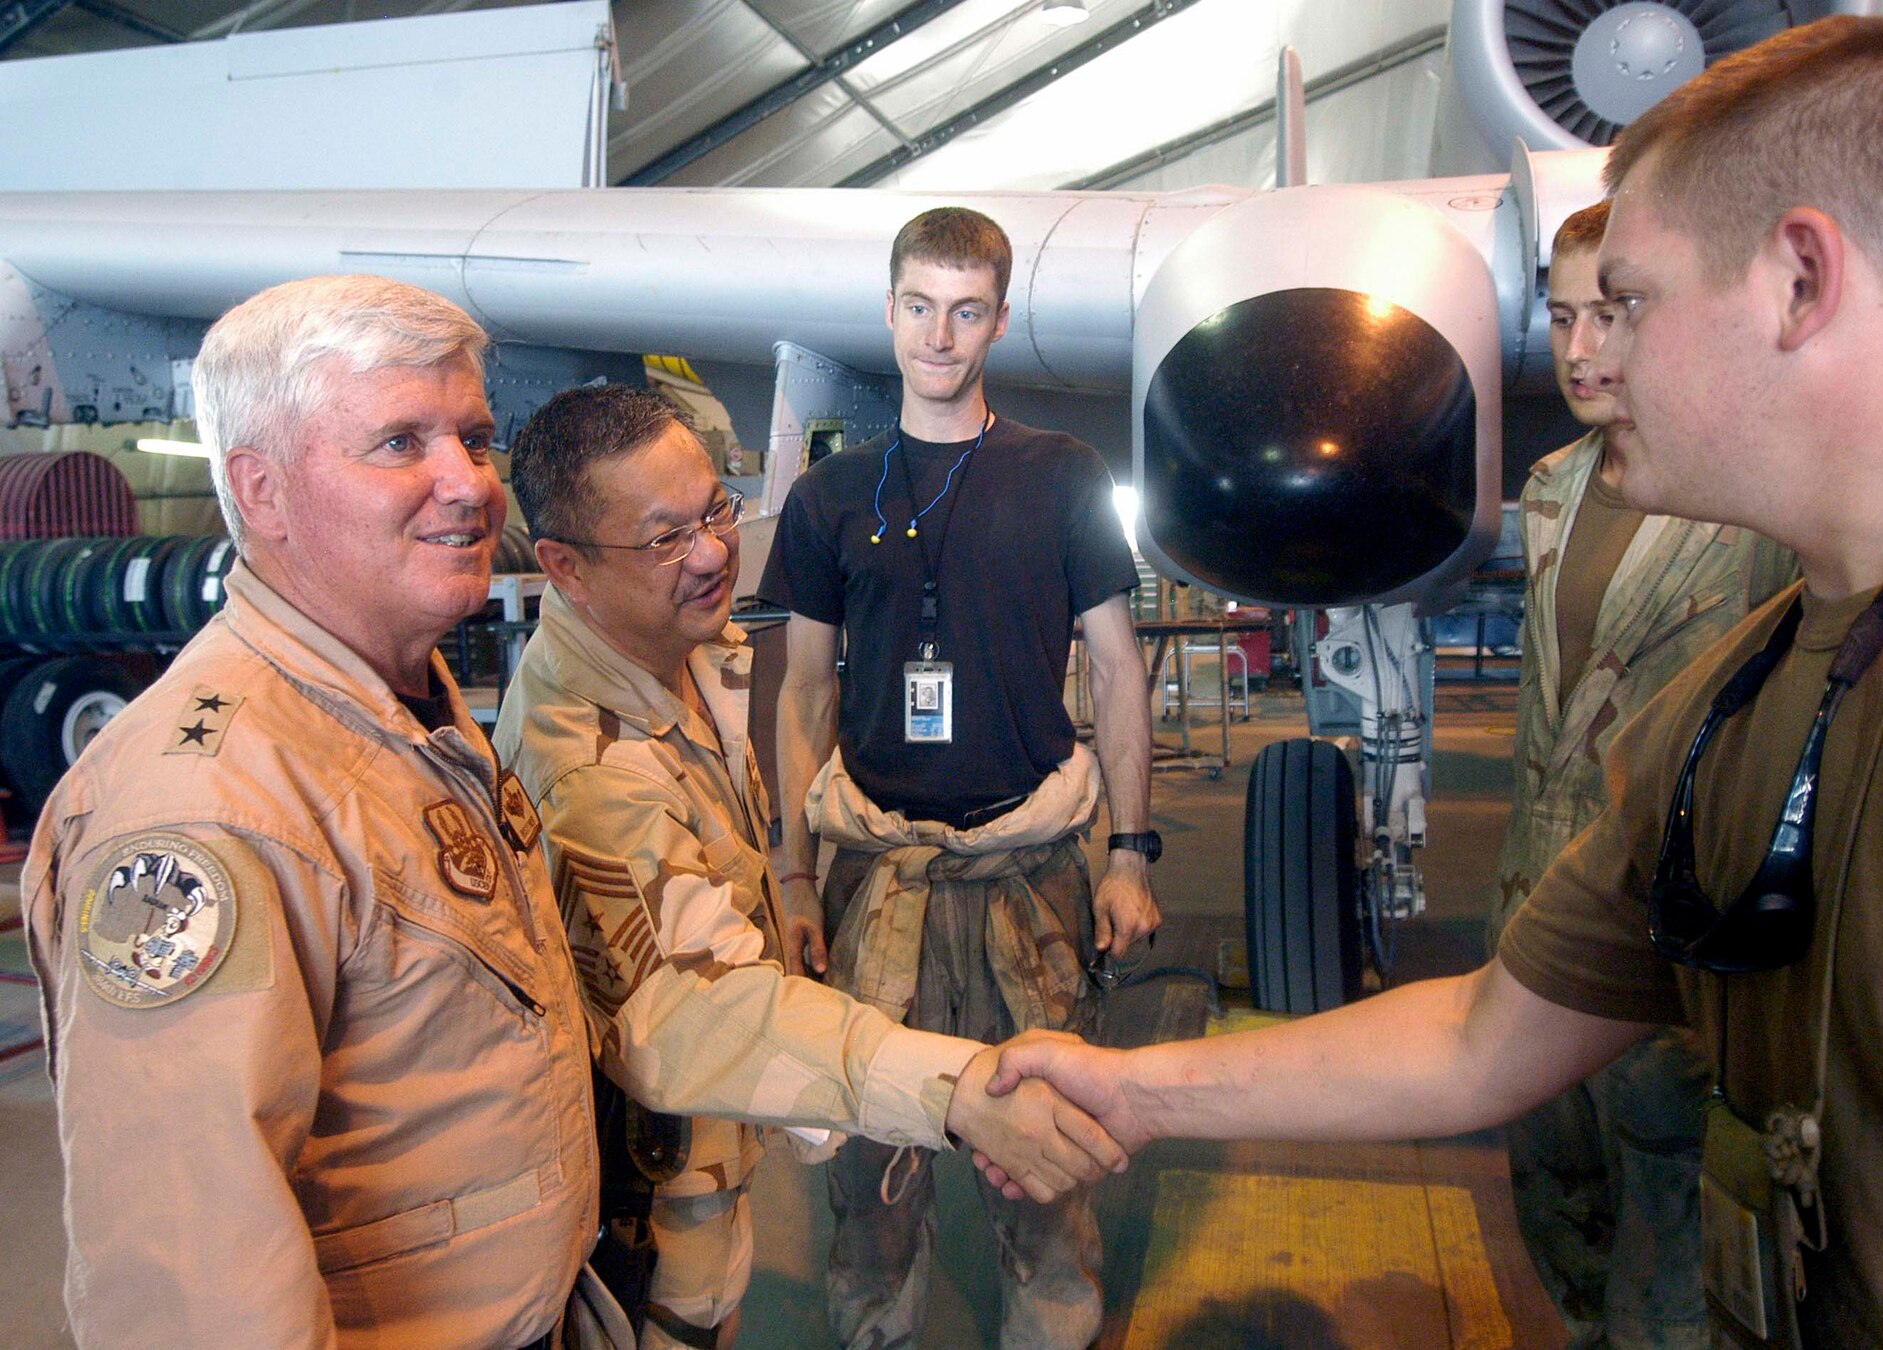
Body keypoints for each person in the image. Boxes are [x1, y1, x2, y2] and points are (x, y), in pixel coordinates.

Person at [985, 18, 1883, 1348]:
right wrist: (1135, 1089)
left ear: (1800, 279)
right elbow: (1482, 1036)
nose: (1592, 356)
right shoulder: (1740, 700)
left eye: (1629, 302)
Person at [22, 275, 1119, 1350]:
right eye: (399, 444)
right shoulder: (208, 809)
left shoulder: (402, 714)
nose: (467, 485)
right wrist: (951, 1084)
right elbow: (187, 1284)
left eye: (474, 437)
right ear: (260, 492)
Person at [497, 383, 1120, 1350]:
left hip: (712, 1173)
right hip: (640, 1217)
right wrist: (952, 1090)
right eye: (664, 539)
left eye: (714, 511)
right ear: (565, 568)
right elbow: (697, 1016)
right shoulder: (586, 768)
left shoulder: (689, 660)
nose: (711, 552)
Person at [759, 206, 1160, 1348]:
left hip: (1028, 875)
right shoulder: (831, 495)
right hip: (873, 880)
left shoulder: (1060, 474)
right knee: (869, 1186)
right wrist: (792, 878)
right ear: (889, 313)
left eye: (967, 309)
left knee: (1042, 1176)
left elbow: (1119, 670)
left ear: (996, 319)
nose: (941, 334)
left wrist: (1128, 855)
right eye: (920, 306)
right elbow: (799, 696)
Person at [1496, 198, 1798, 1349]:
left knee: (1671, 1281)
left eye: (1611, 315)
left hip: (1674, 953)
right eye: (1561, 316)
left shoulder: (1746, 497)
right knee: (1560, 1228)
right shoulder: (1551, 490)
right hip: (1534, 918)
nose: (1578, 350)